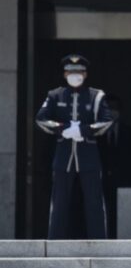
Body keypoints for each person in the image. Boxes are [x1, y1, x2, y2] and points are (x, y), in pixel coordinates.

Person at [34, 54, 113, 239]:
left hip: (89, 156)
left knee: (94, 202)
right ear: (64, 74)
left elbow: (107, 121)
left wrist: (84, 130)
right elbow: (41, 119)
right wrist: (62, 129)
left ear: (85, 74)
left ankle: (99, 242)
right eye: (70, 71)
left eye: (78, 72)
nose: (74, 75)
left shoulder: (96, 96)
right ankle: (54, 243)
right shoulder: (55, 95)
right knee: (59, 203)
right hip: (63, 157)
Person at [97, 95, 131, 238]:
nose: (112, 111)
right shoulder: (96, 133)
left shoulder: (129, 133)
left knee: (119, 214)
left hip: (123, 183)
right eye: (109, 108)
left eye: (115, 108)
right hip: (100, 182)